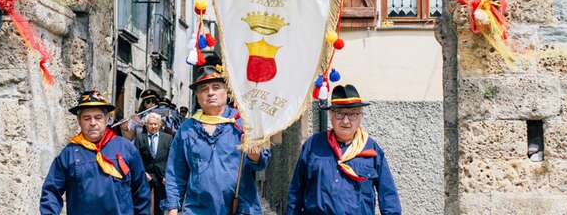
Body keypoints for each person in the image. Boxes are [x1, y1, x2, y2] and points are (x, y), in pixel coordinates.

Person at [163, 64, 271, 215]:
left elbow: (262, 163)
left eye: (216, 87)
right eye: (204, 89)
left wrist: (255, 156)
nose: (210, 93)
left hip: (242, 208)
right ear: (198, 97)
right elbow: (175, 171)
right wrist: (173, 206)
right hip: (198, 209)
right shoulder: (187, 128)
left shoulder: (244, 122)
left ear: (226, 91)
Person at [286, 84, 401, 215]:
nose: (346, 121)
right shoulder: (313, 146)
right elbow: (296, 192)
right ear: (330, 115)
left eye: (352, 114)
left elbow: (389, 197)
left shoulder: (371, 149)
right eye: (339, 113)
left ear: (360, 117)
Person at [40, 90, 150, 214]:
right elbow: (51, 191)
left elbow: (141, 191)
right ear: (79, 120)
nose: (92, 123)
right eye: (87, 118)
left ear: (107, 119)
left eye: (98, 117)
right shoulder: (69, 154)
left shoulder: (126, 148)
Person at [135, 112, 172, 215]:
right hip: (146, 175)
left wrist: (167, 175)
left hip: (161, 176)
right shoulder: (140, 138)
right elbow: (136, 158)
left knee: (159, 205)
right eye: (150, 124)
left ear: (159, 125)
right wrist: (143, 173)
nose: (153, 126)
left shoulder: (167, 138)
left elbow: (171, 158)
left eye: (155, 124)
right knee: (143, 202)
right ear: (146, 125)